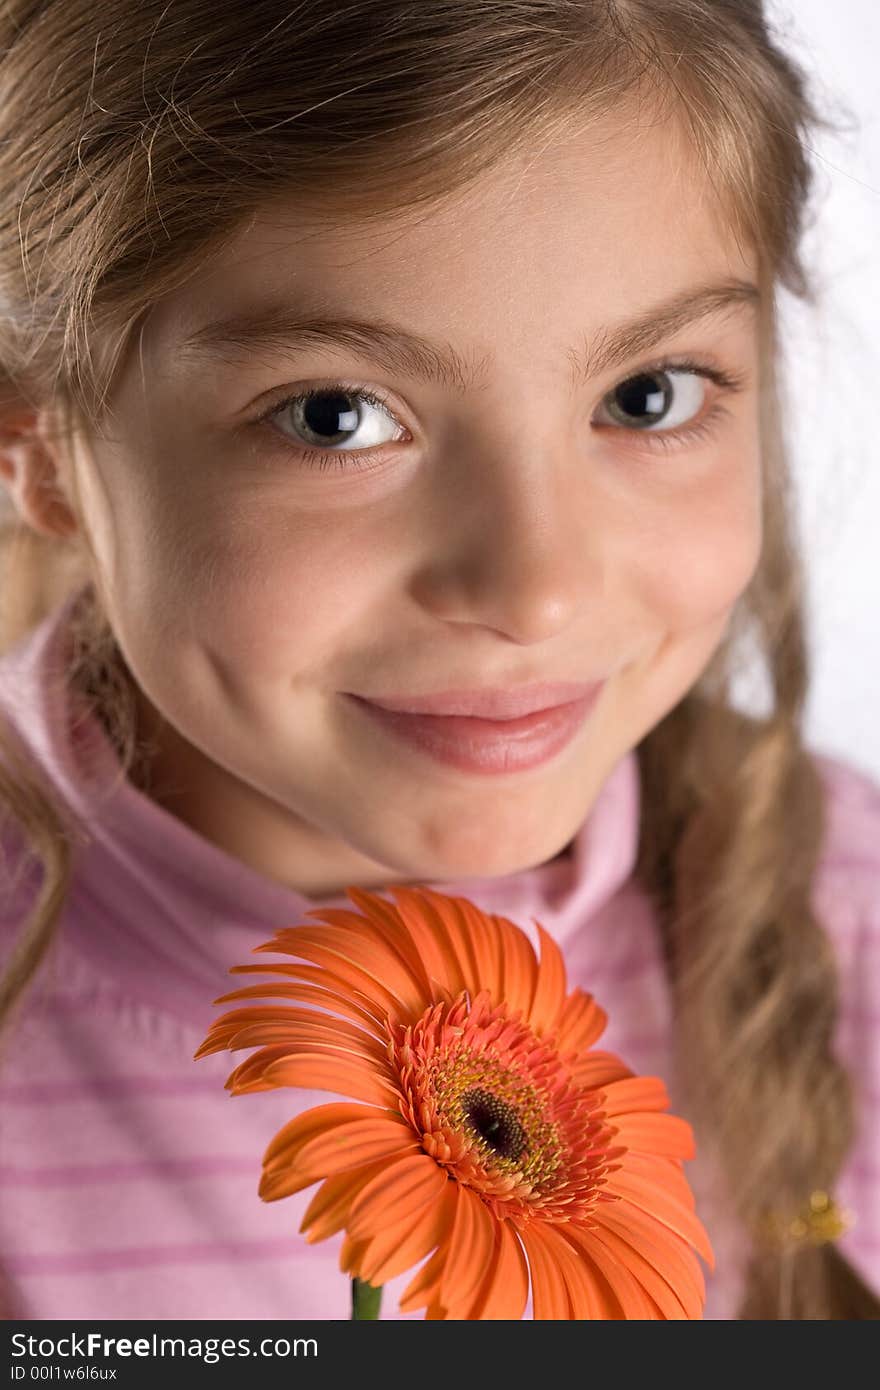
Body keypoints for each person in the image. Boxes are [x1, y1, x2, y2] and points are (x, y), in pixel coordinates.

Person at [0, 0, 877, 1322]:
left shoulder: (838, 911)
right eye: (335, 415)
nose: (535, 588)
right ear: (45, 450)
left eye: (648, 394)